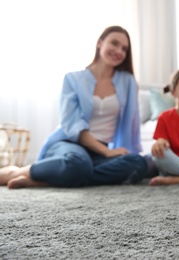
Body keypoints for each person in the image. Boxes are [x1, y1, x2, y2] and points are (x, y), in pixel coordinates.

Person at [0, 25, 148, 189]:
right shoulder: (72, 79)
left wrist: (112, 151)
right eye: (114, 43)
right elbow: (72, 126)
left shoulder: (127, 81)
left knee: (138, 163)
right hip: (68, 144)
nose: (119, 51)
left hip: (99, 152)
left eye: (124, 49)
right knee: (78, 164)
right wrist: (107, 152)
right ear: (100, 43)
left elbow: (131, 124)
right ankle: (20, 171)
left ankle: (44, 180)